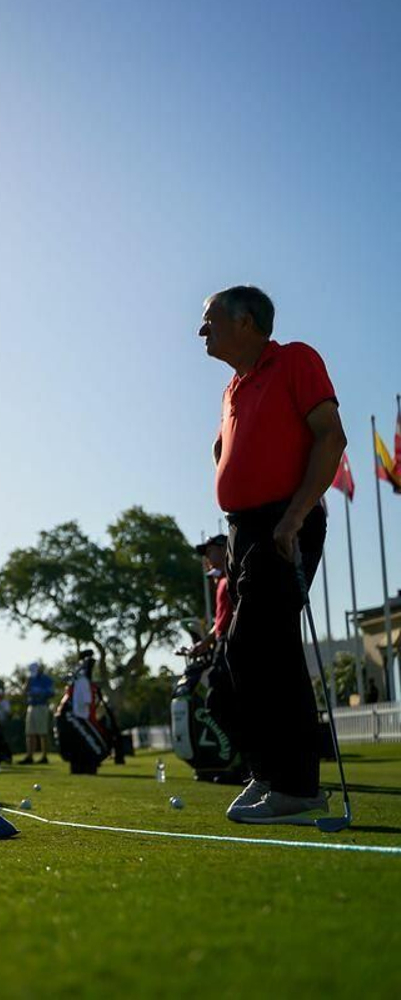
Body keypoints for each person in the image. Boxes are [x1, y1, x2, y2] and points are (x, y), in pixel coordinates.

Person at [200, 285, 346, 825]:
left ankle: (299, 786)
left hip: (286, 521)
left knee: (262, 644)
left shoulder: (296, 360)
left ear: (245, 321)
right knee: (242, 654)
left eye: (210, 319)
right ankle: (272, 772)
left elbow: (330, 437)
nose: (201, 331)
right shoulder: (233, 387)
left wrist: (295, 514)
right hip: (245, 530)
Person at [193, 534, 230, 655]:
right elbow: (220, 622)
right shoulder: (222, 581)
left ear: (224, 549)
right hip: (222, 642)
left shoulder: (233, 581)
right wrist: (205, 642)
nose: (207, 558)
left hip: (230, 641)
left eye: (209, 552)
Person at [20, 661, 55, 764]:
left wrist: (41, 693)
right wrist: (27, 682)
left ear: (40, 669)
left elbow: (51, 693)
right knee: (29, 732)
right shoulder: (30, 679)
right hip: (31, 706)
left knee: (42, 732)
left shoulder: (46, 679)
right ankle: (29, 756)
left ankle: (44, 756)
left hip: (42, 706)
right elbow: (24, 691)